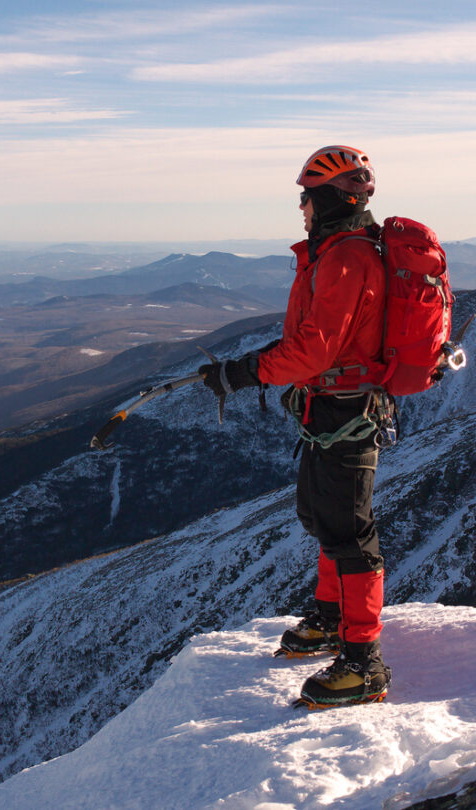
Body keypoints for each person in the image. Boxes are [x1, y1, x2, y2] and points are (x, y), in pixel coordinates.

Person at [199, 144, 393, 708]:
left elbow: (315, 349)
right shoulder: (336, 253)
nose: (301, 209)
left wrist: (247, 372)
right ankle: (333, 619)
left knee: (349, 534)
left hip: (346, 410)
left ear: (331, 198)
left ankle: (363, 662)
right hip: (330, 408)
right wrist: (256, 366)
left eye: (306, 198)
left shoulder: (346, 258)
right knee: (322, 516)